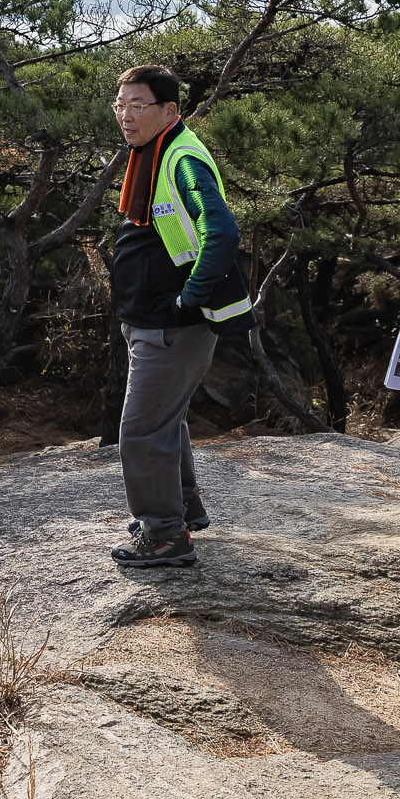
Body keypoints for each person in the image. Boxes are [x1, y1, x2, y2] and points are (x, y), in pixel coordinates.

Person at [105, 64, 253, 569]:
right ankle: (183, 508)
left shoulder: (182, 160)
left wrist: (189, 299)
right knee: (165, 421)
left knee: (141, 431)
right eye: (120, 104)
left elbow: (223, 233)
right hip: (153, 321)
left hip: (172, 326)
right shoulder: (155, 151)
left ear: (170, 111)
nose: (125, 115)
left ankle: (164, 534)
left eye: (137, 106)